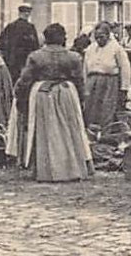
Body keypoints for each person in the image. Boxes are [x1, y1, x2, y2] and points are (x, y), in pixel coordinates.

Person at [10, 23, 93, 183]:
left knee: (46, 132)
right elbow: (79, 81)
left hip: (43, 94)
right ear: (63, 38)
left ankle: (48, 170)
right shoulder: (73, 57)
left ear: (46, 38)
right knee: (69, 129)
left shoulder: (36, 56)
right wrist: (82, 99)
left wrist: (19, 96)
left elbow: (25, 80)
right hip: (67, 93)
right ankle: (71, 168)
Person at [81, 21, 131, 129]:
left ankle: (106, 133)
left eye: (102, 37)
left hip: (109, 82)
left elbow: (125, 68)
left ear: (108, 35)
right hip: (92, 82)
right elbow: (85, 68)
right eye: (96, 37)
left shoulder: (116, 48)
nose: (99, 40)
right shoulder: (90, 48)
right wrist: (85, 85)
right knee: (91, 109)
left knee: (107, 110)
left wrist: (124, 88)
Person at [0, 4, 40, 81]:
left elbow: (0, 44)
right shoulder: (27, 27)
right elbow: (36, 46)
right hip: (21, 61)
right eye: (25, 13)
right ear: (20, 13)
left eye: (28, 13)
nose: (26, 14)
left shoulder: (12, 26)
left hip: (15, 60)